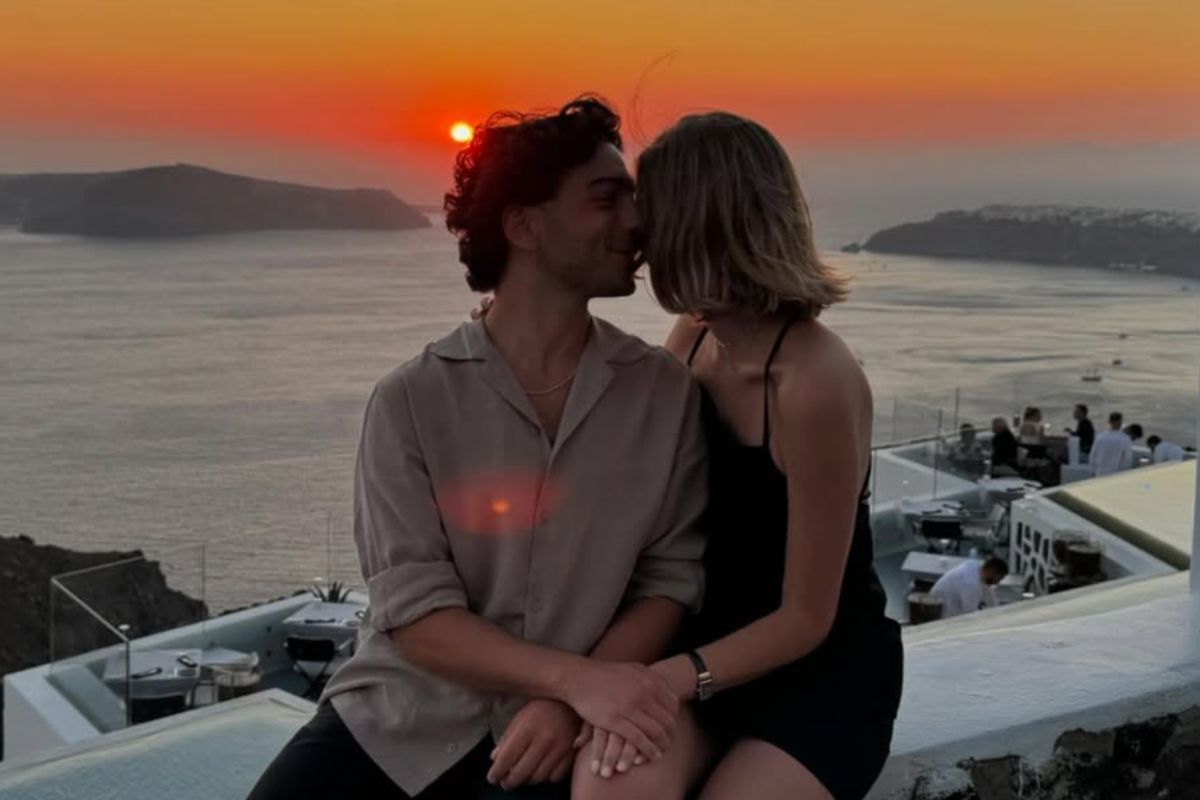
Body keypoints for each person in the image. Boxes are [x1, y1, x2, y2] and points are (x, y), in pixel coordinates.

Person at [247, 98, 708, 800]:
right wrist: (569, 682)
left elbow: (668, 582)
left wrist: (567, 704)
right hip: (401, 721)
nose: (636, 222)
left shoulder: (662, 395)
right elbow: (414, 614)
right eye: (606, 199)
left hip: (563, 740)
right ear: (524, 225)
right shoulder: (411, 400)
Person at [572, 112, 903, 800]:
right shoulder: (695, 336)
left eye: (648, 209)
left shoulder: (812, 383)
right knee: (610, 790)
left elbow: (807, 617)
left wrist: (659, 680)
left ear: (696, 224)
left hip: (814, 676)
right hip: (700, 650)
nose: (635, 231)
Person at [929, 557, 1008, 618]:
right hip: (938, 610)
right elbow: (970, 614)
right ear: (991, 571)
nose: (997, 583)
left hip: (951, 609)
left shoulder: (978, 572)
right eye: (998, 579)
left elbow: (990, 598)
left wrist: (999, 614)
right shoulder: (970, 582)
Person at [1091, 412, 1134, 477]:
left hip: (1100, 473)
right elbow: (1126, 460)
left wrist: (1093, 471)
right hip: (1115, 474)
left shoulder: (1100, 437)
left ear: (1109, 422)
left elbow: (1093, 455)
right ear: (1120, 422)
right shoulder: (1125, 439)